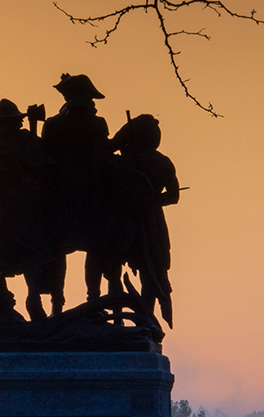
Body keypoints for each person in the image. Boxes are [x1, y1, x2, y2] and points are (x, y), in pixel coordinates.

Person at [0, 98, 64, 321]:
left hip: (1, 210)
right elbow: (47, 172)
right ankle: (29, 297)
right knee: (28, 253)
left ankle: (19, 299)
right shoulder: (27, 143)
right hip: (21, 208)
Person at [40, 73, 117, 300]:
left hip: (68, 193)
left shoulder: (54, 124)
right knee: (91, 246)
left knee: (66, 247)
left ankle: (76, 299)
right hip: (84, 193)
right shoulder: (95, 124)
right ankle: (80, 298)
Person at [113, 113, 179, 327]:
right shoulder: (152, 161)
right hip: (133, 219)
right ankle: (135, 316)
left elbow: (173, 196)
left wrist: (150, 200)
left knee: (151, 269)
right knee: (139, 268)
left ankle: (144, 317)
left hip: (142, 220)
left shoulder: (128, 161)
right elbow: (173, 195)